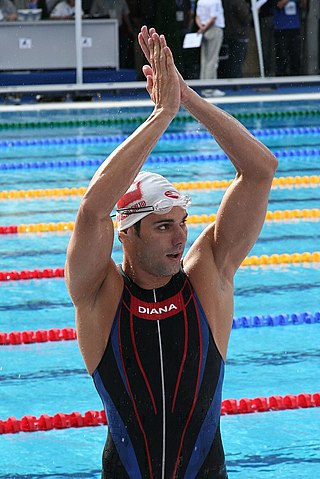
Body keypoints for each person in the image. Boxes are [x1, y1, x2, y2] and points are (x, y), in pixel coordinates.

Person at [65, 26, 278, 479]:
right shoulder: (99, 295)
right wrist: (161, 116)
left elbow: (260, 171)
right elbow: (93, 209)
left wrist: (187, 99)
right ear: (126, 235)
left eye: (181, 223)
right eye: (163, 227)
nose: (180, 237)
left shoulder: (208, 277)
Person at [195, 0, 225, 97]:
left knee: (205, 59)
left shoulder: (201, 1)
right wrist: (205, 28)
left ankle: (204, 86)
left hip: (204, 29)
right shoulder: (215, 1)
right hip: (213, 29)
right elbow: (213, 18)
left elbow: (197, 17)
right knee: (212, 59)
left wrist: (202, 28)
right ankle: (210, 88)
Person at [222, 0, 251, 78]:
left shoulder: (227, 2)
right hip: (239, 34)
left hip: (231, 34)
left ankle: (233, 80)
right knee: (238, 63)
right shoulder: (239, 2)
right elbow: (245, 18)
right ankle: (237, 83)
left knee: (233, 62)